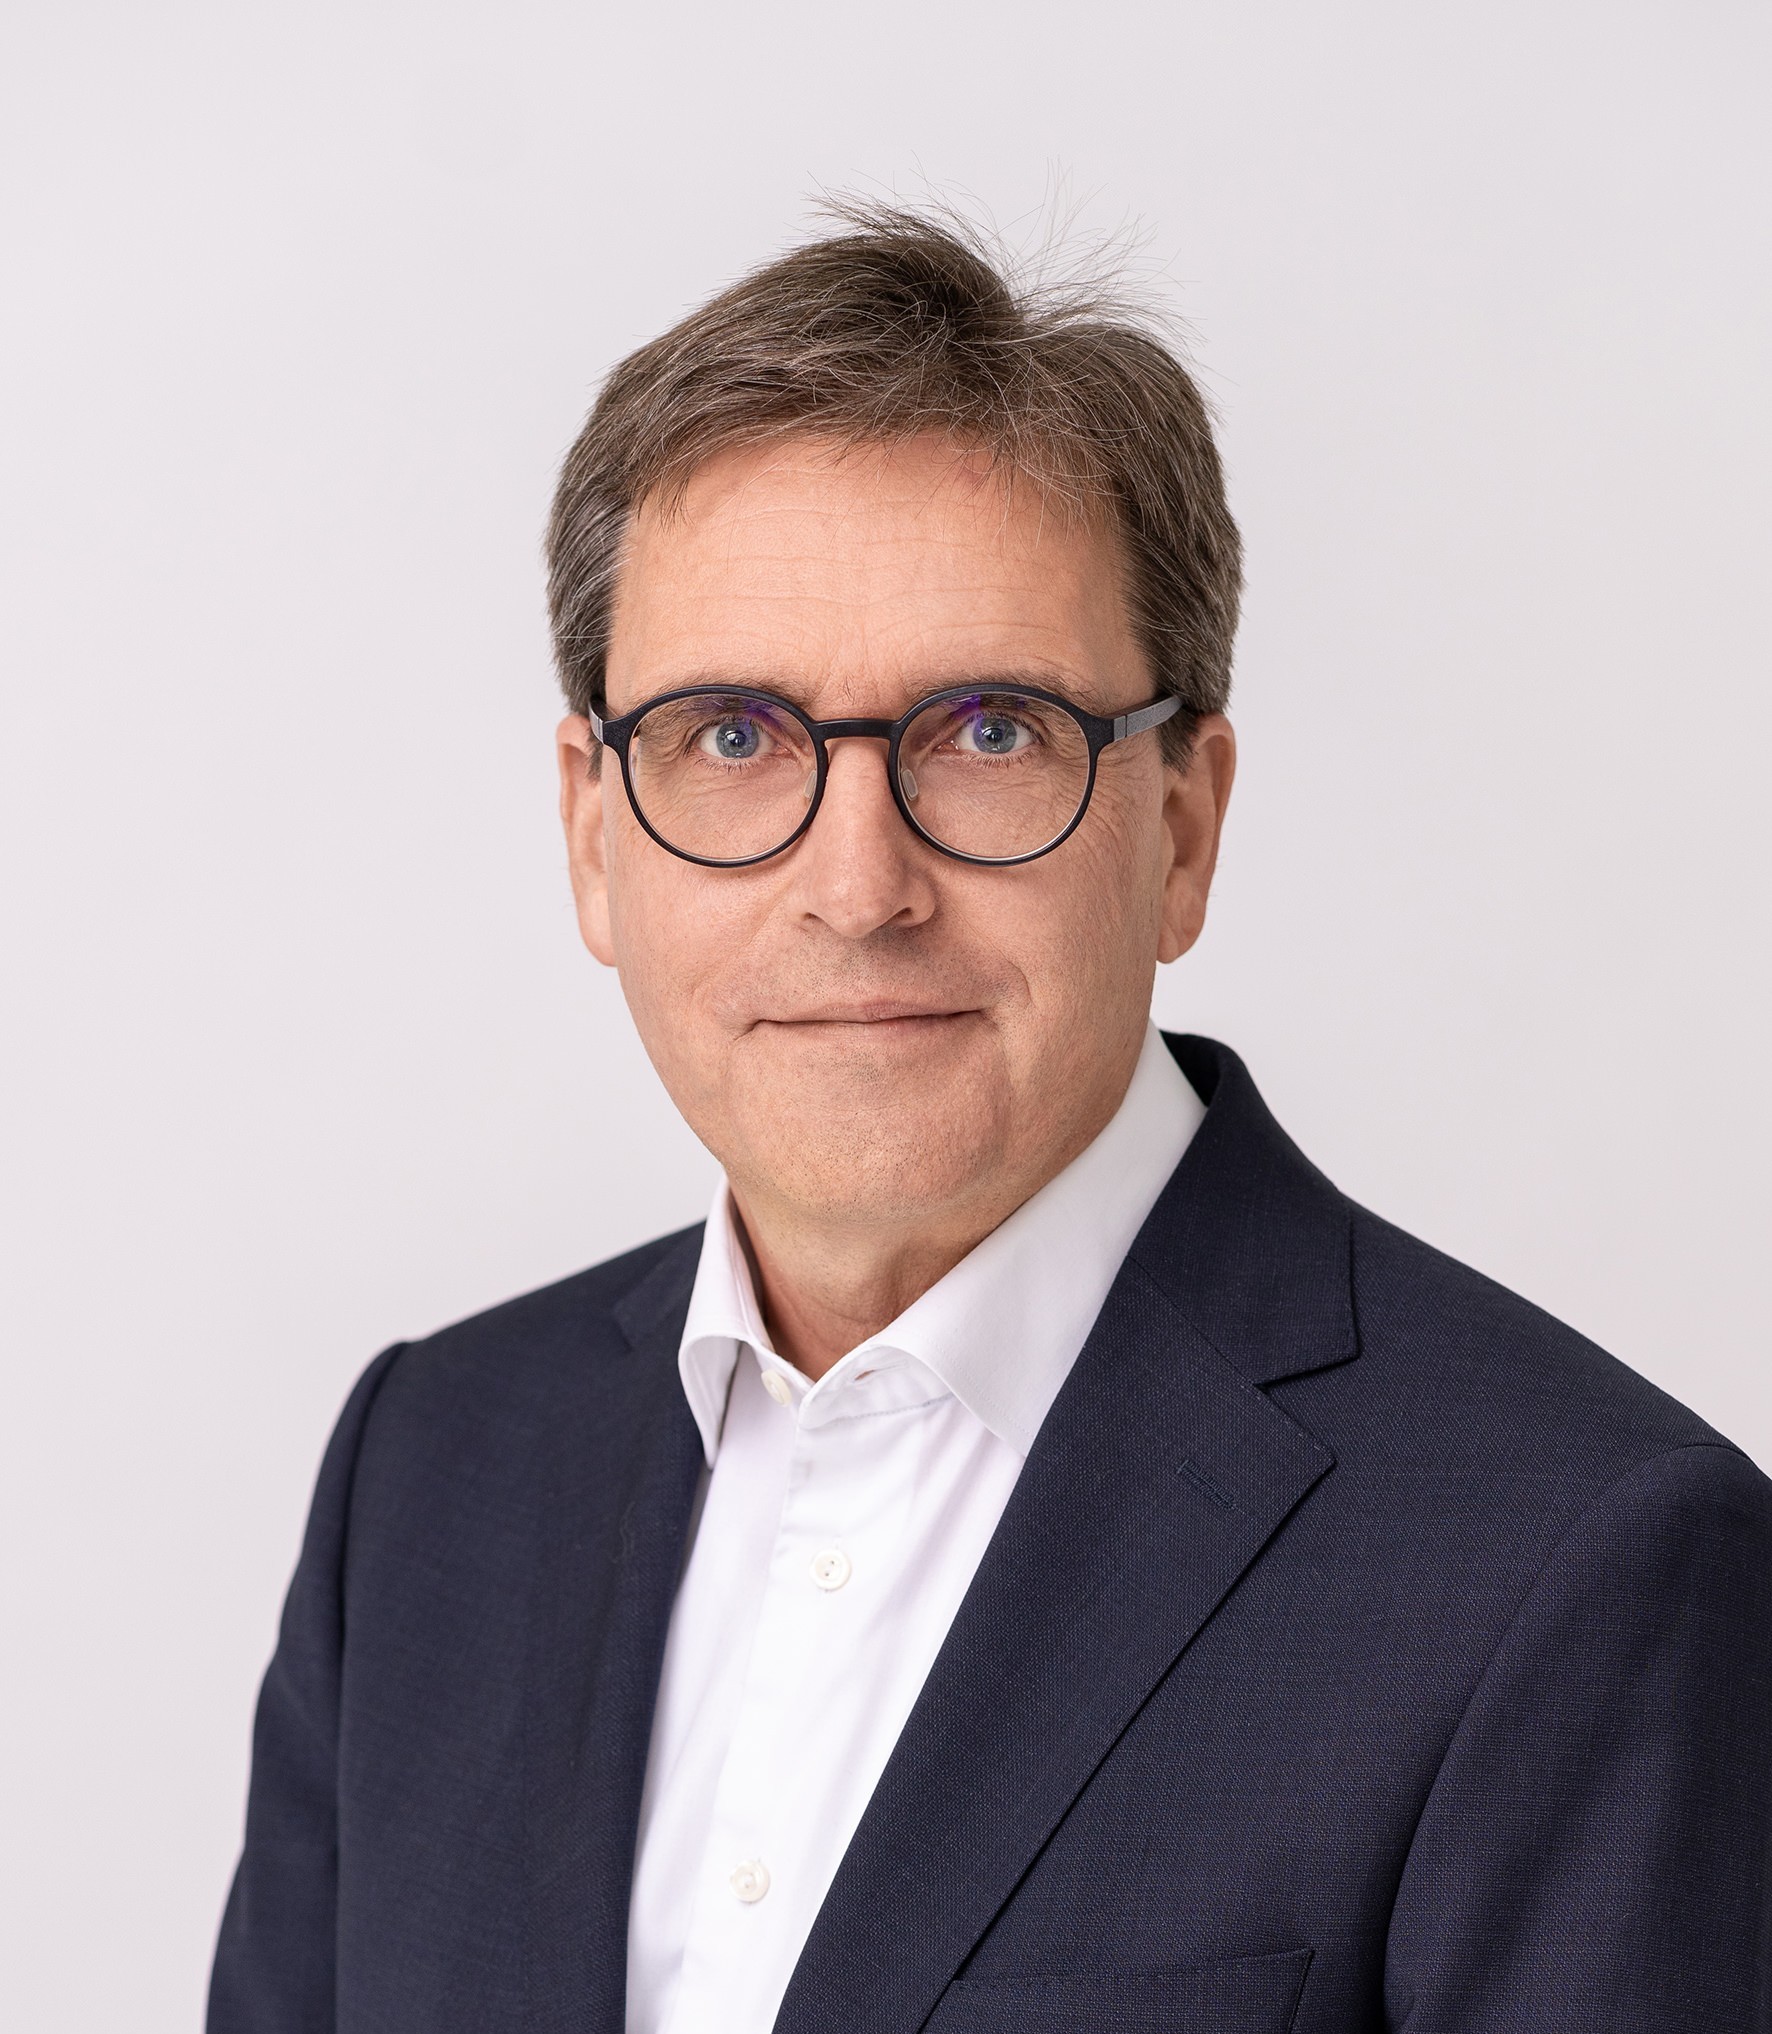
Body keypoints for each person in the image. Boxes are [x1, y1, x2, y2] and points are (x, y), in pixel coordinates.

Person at [207, 205, 1772, 2034]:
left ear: (1182, 825)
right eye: (732, 737)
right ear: (592, 833)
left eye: (991, 730)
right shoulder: (430, 1471)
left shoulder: (1580, 1564)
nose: (858, 887)